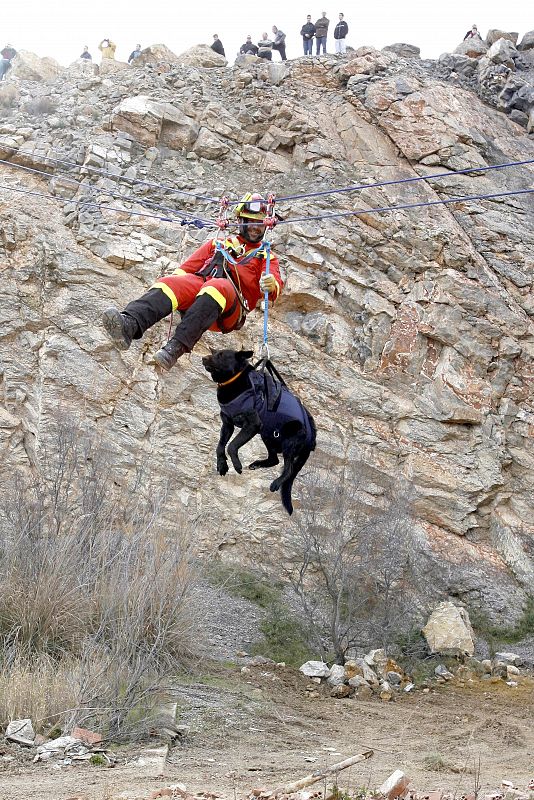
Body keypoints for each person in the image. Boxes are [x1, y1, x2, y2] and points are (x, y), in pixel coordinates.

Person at [101, 194, 283, 371]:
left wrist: (270, 284)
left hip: (231, 310)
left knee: (217, 286)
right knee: (171, 282)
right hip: (202, 298)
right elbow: (185, 270)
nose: (256, 228)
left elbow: (275, 287)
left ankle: (175, 348)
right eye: (251, 222)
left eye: (260, 224)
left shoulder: (265, 256)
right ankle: (130, 324)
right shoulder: (218, 244)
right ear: (240, 221)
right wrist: (174, 289)